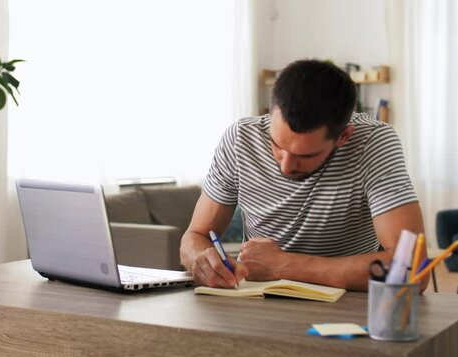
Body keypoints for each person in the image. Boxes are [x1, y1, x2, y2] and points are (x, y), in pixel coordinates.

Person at [179, 59, 429, 291]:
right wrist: (201, 259)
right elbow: (196, 236)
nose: (286, 166)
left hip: (344, 305)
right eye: (277, 145)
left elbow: (413, 268)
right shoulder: (240, 139)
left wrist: (284, 266)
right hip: (256, 299)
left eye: (305, 155)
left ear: (343, 136)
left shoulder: (373, 143)